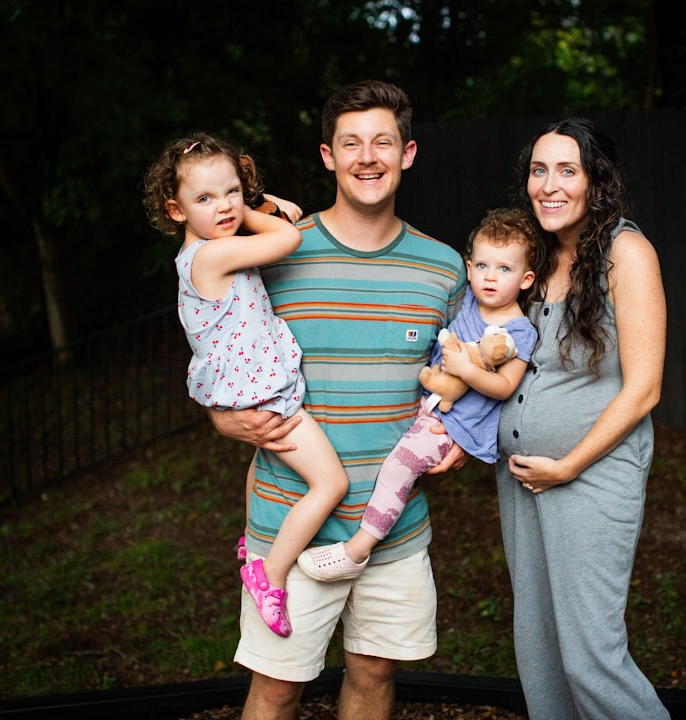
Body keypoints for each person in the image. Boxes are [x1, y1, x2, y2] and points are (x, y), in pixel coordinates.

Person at [205, 80, 469, 720]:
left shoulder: (444, 269)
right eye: (351, 143)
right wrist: (219, 417)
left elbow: (467, 372)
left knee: (375, 673)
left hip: (393, 530)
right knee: (276, 687)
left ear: (408, 153)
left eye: (383, 141)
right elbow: (216, 350)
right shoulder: (275, 254)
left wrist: (462, 434)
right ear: (328, 156)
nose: (367, 156)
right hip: (285, 529)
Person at [142, 132, 351, 639]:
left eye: (232, 191)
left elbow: (293, 214)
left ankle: (248, 540)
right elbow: (290, 235)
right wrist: (251, 207)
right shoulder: (211, 256)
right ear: (175, 210)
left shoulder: (214, 246)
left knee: (266, 462)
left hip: (255, 387)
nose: (224, 207)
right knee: (332, 484)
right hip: (264, 396)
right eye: (205, 199)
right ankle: (269, 573)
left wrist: (245, 203)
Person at [496, 117, 671, 719]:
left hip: (592, 473)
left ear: (597, 183)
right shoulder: (533, 256)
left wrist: (567, 465)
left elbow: (644, 389)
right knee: (538, 649)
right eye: (538, 170)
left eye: (566, 170)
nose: (548, 184)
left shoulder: (626, 251)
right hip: (522, 477)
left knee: (591, 656)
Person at [296, 207, 541, 580]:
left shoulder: (521, 332)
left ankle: (357, 549)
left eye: (504, 270)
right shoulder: (470, 303)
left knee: (398, 469)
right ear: (469, 266)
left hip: (454, 426)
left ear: (526, 279)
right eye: (482, 266)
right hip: (429, 406)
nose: (490, 278)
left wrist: (466, 370)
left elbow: (506, 386)